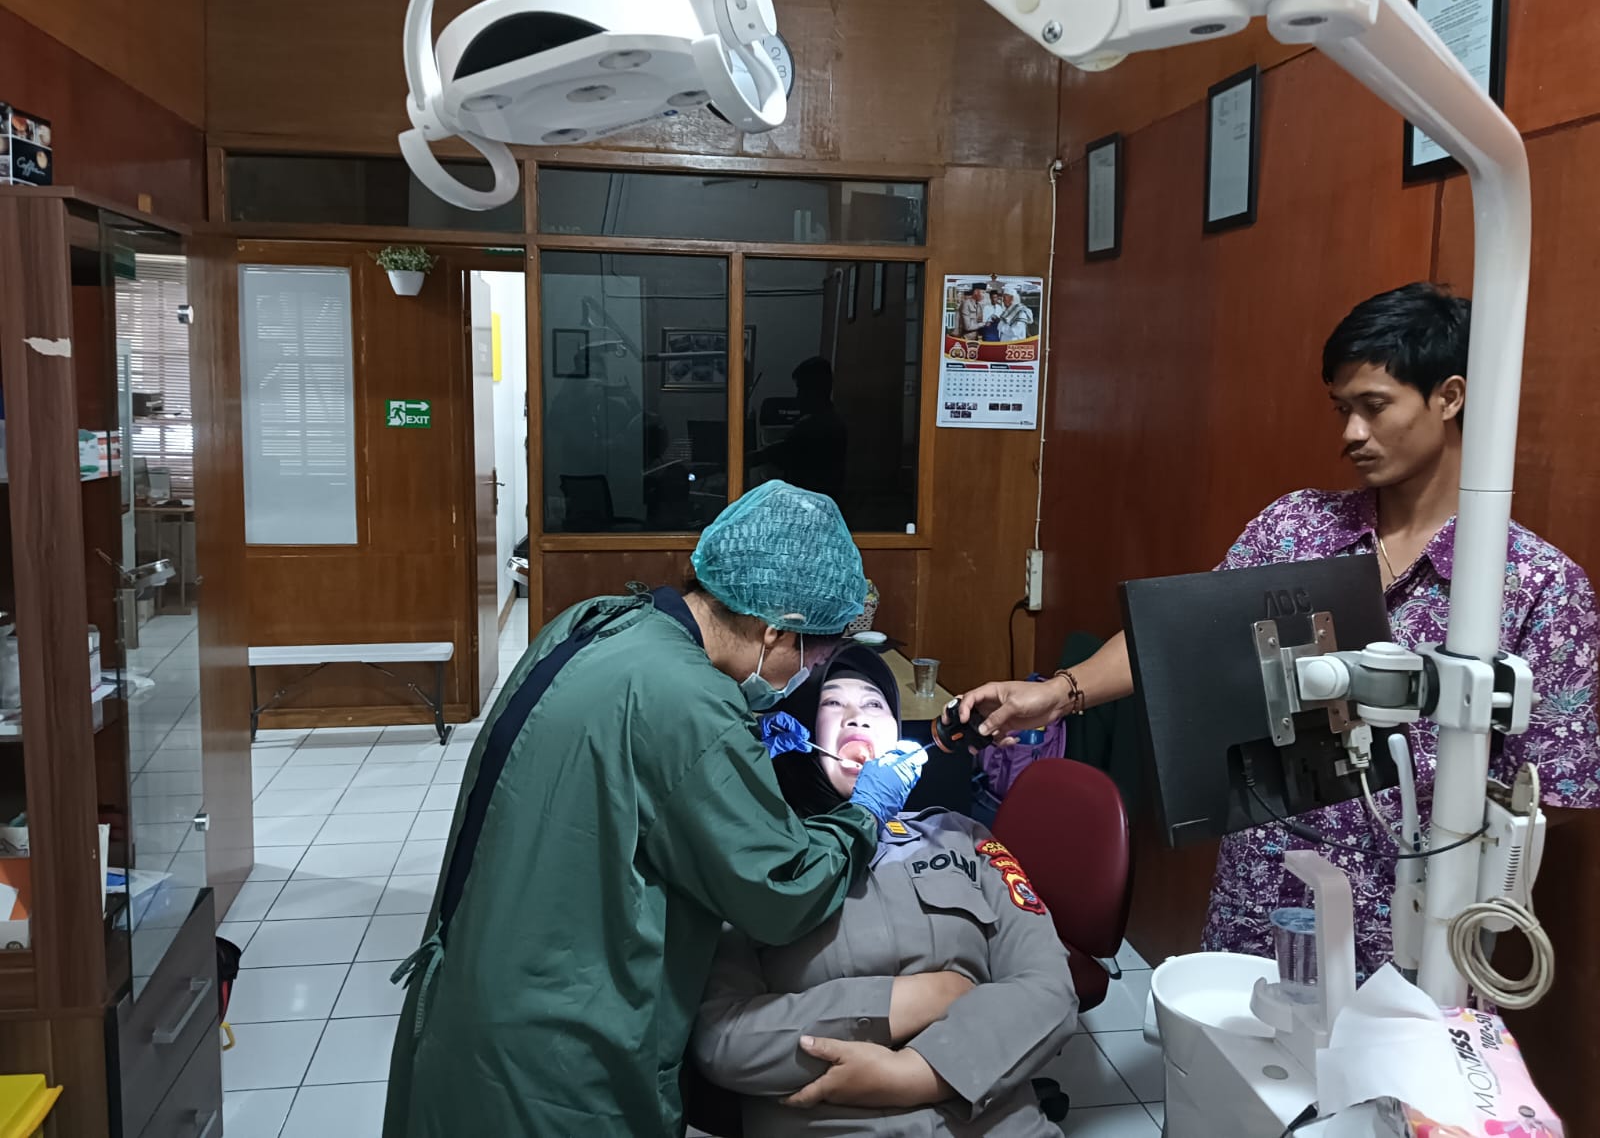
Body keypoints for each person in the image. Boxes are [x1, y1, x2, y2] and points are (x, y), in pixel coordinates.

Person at [960, 282, 1600, 977]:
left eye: (1374, 406)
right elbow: (1179, 643)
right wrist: (1057, 694)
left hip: (1420, 928)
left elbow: (1557, 788)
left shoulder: (1534, 584)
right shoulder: (1298, 528)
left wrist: (1438, 810)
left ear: (1448, 398)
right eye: (1343, 409)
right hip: (1265, 899)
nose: (1351, 434)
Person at [383, 482, 930, 1137]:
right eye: (812, 659)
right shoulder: (692, 705)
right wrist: (864, 813)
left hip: (476, 984)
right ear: (774, 628)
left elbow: (629, 772)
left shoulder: (595, 621)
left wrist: (741, 744)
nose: (805, 679)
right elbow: (780, 891)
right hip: (555, 1055)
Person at [692, 644, 1078, 1136]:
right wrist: (909, 1000)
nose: (857, 717)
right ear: (797, 730)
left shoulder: (962, 837)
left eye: (874, 704)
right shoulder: (754, 860)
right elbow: (723, 1039)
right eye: (832, 702)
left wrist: (917, 1073)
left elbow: (1049, 989)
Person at [748, 357, 849, 503]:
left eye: (802, 389)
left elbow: (780, 452)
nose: (798, 396)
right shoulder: (830, 421)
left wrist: (743, 460)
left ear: (816, 390)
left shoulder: (816, 426)